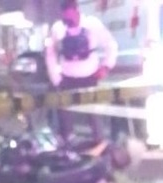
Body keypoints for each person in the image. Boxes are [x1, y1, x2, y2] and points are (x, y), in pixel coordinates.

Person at [45, 0, 117, 144]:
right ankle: (68, 144)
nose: (68, 21)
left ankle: (99, 143)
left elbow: (110, 44)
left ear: (76, 10)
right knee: (65, 117)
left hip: (89, 77)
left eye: (70, 17)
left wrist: (106, 66)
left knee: (94, 115)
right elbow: (50, 54)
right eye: (65, 18)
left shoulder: (92, 24)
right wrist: (56, 78)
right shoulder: (58, 28)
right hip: (67, 79)